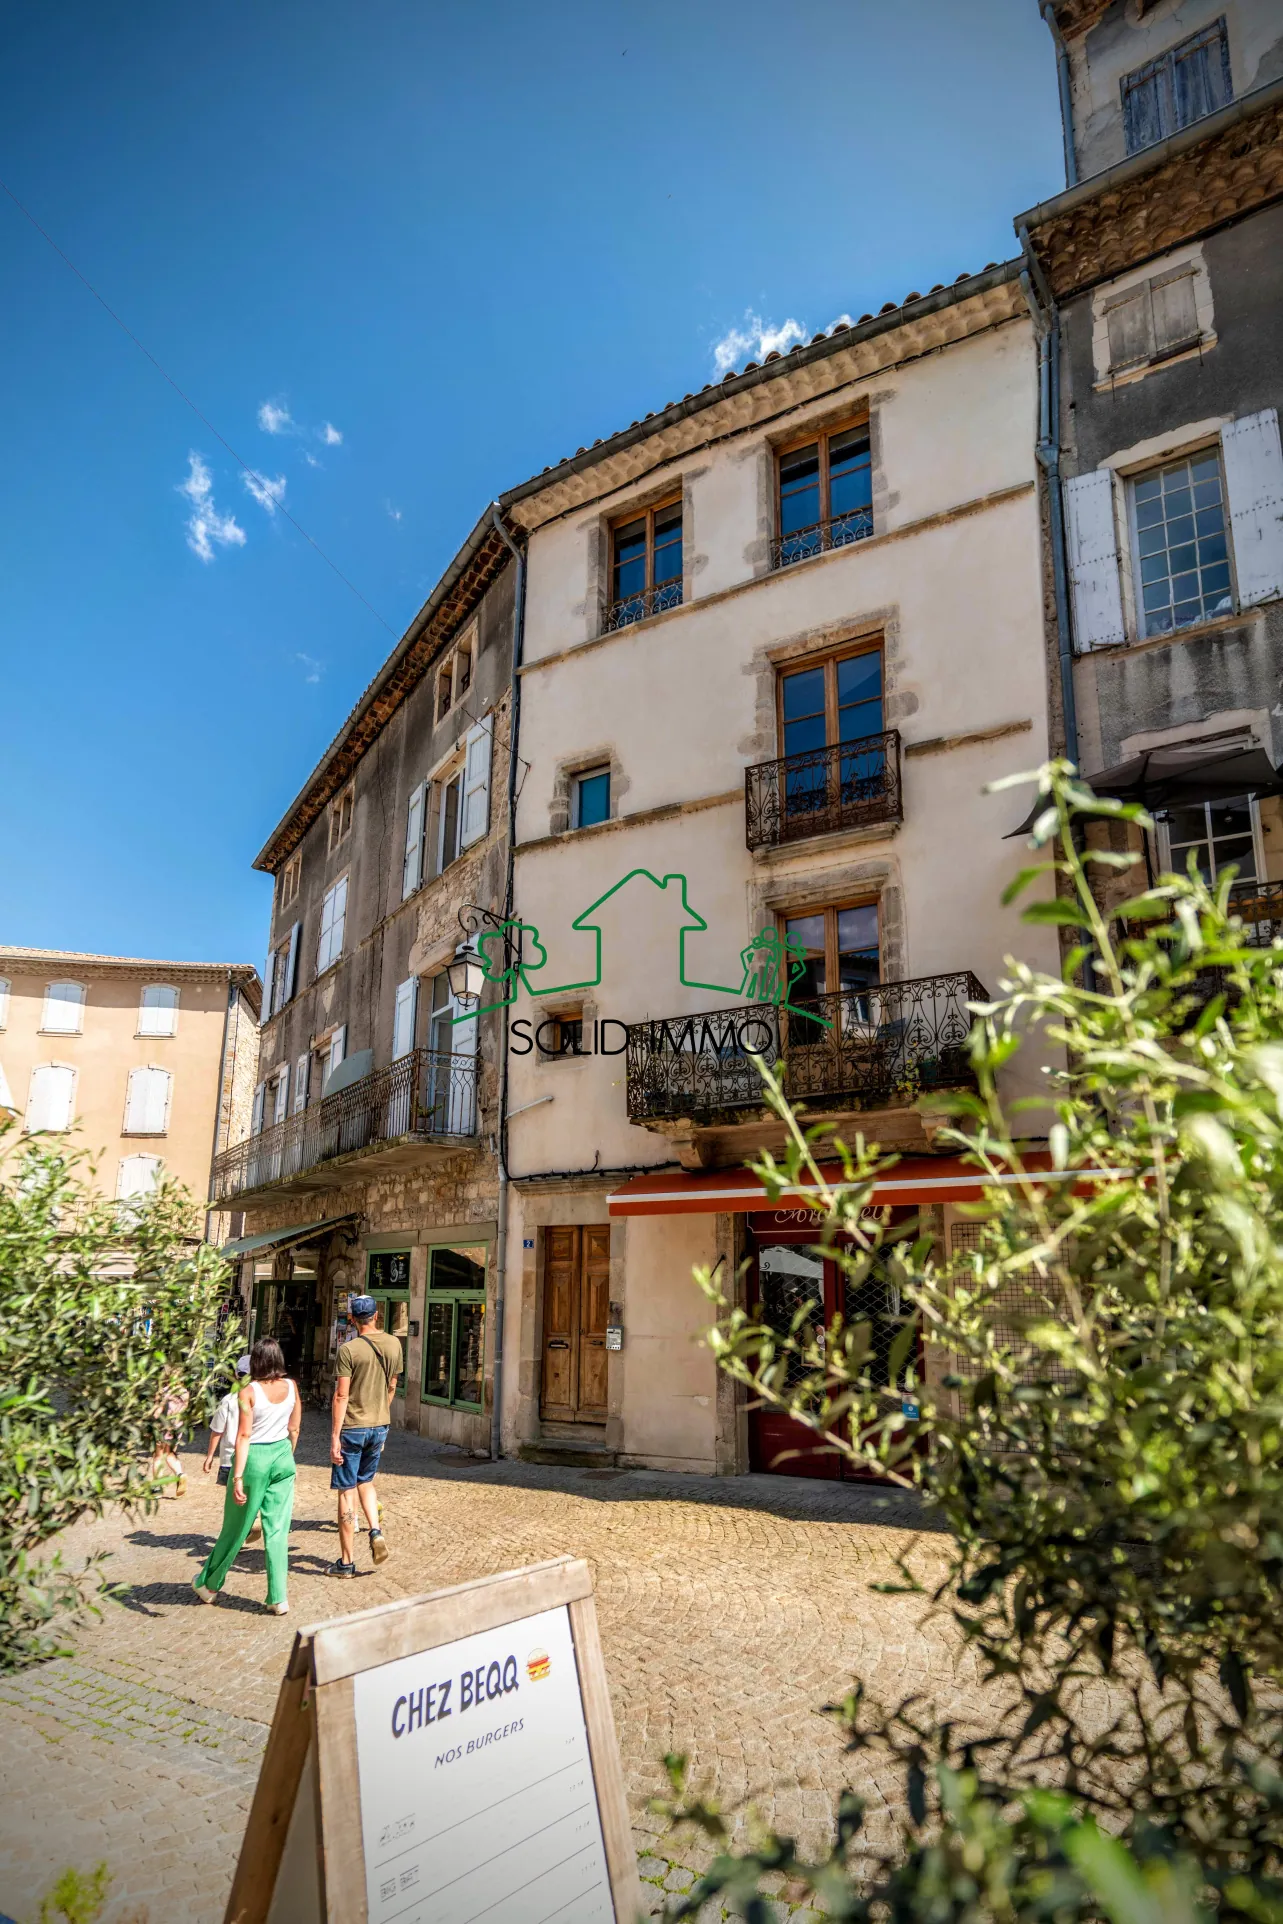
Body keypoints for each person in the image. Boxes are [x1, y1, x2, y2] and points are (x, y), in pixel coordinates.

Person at [193, 1337, 299, 1615]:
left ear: (256, 1362)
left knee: (236, 1527)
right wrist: (287, 1452)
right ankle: (278, 1597)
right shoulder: (292, 1387)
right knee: (277, 1530)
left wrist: (237, 1476)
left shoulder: (248, 1392)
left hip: (255, 1459)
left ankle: (210, 1583)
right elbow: (295, 1427)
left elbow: (243, 1435)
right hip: (283, 1456)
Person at [329, 1294, 399, 1577]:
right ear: (377, 1315)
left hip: (353, 1427)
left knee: (347, 1491)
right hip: (379, 1424)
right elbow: (393, 1385)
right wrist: (381, 1415)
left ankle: (346, 1562)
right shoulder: (394, 1344)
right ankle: (376, 1531)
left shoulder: (349, 1350)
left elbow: (341, 1394)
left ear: (352, 1319)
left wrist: (335, 1435)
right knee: (366, 1482)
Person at [202, 1355, 261, 1544]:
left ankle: (236, 1535)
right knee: (251, 1491)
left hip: (230, 1457)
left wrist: (210, 1456)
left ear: (236, 1375)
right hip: (254, 1455)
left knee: (233, 1499)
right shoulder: (259, 1398)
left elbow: (217, 1430)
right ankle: (253, 1519)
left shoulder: (228, 1400)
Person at [149, 1376, 190, 1498]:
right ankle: (180, 1474)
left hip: (163, 1426)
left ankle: (157, 1488)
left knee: (158, 1457)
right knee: (169, 1454)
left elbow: (157, 1412)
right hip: (177, 1427)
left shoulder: (163, 1392)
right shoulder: (184, 1392)